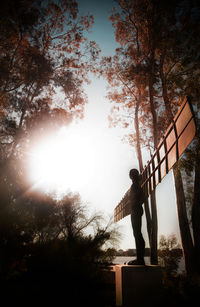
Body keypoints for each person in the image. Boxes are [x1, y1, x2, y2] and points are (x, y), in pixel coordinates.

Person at [128, 168, 145, 265]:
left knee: (137, 234)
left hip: (136, 210)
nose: (130, 176)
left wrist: (135, 204)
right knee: (137, 234)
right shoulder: (135, 185)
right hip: (135, 210)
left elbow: (141, 198)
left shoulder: (136, 186)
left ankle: (140, 259)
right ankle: (140, 258)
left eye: (131, 174)